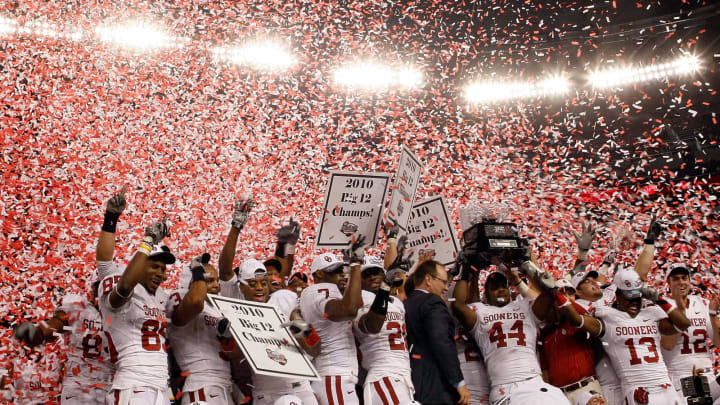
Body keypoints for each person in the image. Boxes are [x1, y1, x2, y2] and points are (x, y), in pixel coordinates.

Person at [556, 268, 691, 405]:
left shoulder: (651, 314)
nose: (634, 302)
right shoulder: (608, 318)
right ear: (618, 295)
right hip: (639, 391)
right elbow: (577, 320)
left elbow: (684, 324)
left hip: (666, 387)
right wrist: (555, 293)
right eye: (629, 298)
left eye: (637, 298)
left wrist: (660, 300)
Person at [452, 260, 570, 405]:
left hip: (535, 381)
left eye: (503, 286)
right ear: (486, 296)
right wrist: (467, 270)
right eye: (494, 288)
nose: (501, 290)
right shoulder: (480, 312)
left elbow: (549, 293)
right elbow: (457, 305)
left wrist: (524, 264)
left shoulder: (524, 306)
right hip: (505, 388)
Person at [99, 215, 175, 405]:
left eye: (163, 269)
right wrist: (147, 242)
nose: (160, 273)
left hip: (160, 388)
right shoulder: (120, 282)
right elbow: (124, 288)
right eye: (154, 267)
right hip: (132, 386)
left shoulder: (160, 297)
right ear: (138, 266)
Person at [13, 281, 113, 404]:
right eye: (102, 286)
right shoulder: (78, 306)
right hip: (79, 387)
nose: (106, 291)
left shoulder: (125, 314)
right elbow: (53, 326)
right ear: (93, 288)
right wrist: (37, 332)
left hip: (114, 386)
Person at [299, 236, 366, 405]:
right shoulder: (319, 290)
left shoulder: (328, 291)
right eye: (335, 272)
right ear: (319, 274)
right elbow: (349, 310)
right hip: (333, 375)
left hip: (339, 375)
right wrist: (356, 264)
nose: (341, 275)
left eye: (341, 271)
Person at [166, 253, 234, 404]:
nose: (217, 285)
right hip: (201, 385)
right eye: (209, 281)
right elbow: (196, 301)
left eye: (217, 280)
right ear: (192, 282)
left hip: (223, 384)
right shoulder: (180, 296)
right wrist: (197, 272)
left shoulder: (216, 307)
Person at [405, 259, 470, 405]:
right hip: (436, 383)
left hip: (413, 380)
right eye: (443, 282)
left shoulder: (405, 304)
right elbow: (441, 341)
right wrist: (458, 382)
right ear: (428, 279)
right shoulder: (432, 302)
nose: (446, 288)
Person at [353, 255, 414, 405]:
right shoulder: (360, 300)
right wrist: (385, 285)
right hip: (383, 374)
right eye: (367, 274)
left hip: (402, 374)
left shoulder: (397, 303)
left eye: (376, 272)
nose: (373, 277)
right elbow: (372, 326)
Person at [660, 263, 720, 402]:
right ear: (668, 282)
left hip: (708, 375)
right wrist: (680, 308)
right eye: (676, 278)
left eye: (684, 278)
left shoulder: (702, 303)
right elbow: (668, 344)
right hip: (680, 379)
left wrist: (712, 315)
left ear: (689, 280)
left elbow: (718, 343)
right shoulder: (663, 306)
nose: (681, 282)